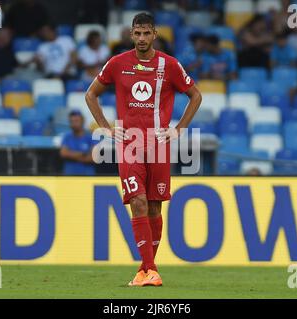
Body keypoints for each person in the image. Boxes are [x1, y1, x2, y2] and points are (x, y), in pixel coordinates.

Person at [85, 13, 202, 287]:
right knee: (136, 201)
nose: (141, 39)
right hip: (130, 144)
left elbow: (195, 95)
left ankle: (145, 269)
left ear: (155, 34)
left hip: (159, 145)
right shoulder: (117, 63)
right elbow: (91, 94)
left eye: (146, 33)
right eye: (136, 33)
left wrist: (178, 129)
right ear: (130, 34)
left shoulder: (169, 65)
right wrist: (107, 127)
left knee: (153, 206)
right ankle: (151, 270)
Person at [60, 110, 97, 176]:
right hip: (69, 178)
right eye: (71, 121)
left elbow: (93, 158)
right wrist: (83, 154)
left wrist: (71, 155)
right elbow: (63, 153)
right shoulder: (67, 137)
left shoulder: (91, 137)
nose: (74, 124)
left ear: (82, 121)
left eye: (76, 121)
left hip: (87, 177)